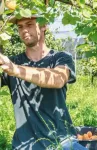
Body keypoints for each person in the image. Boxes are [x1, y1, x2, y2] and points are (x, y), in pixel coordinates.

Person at [0, 14, 88, 150]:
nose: (24, 30)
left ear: (43, 26)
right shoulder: (12, 62)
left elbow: (58, 79)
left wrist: (15, 70)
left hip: (63, 141)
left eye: (29, 24)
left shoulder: (60, 58)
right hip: (25, 145)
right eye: (20, 26)